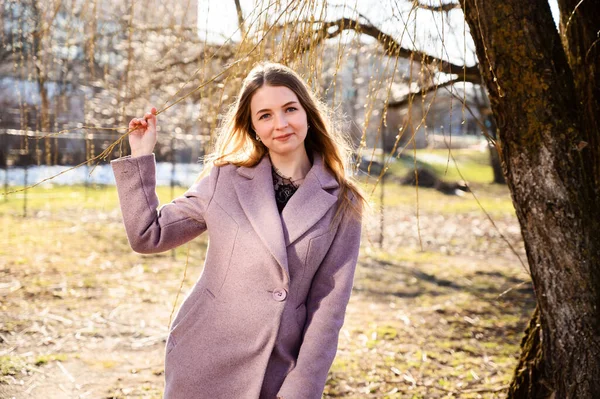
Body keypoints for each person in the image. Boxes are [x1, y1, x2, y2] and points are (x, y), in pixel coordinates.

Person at [111, 62, 365, 399]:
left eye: (290, 109)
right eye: (265, 115)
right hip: (202, 360)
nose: (281, 123)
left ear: (307, 113)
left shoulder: (342, 202)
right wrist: (141, 156)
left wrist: (302, 388)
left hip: (274, 372)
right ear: (253, 127)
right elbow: (148, 234)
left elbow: (327, 312)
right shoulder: (225, 180)